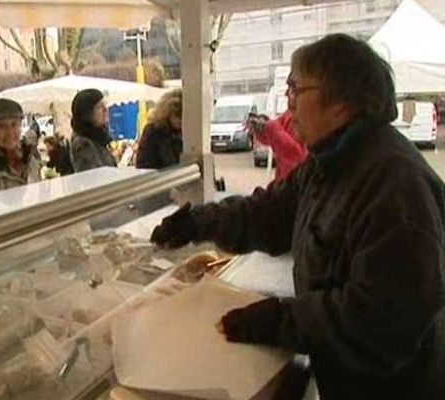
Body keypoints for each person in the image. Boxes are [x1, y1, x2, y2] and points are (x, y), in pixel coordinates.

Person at [150, 34, 445, 400]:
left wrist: (281, 320)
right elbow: (270, 213)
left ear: (341, 102)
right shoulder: (330, 163)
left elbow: (383, 319)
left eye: (295, 87)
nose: (288, 104)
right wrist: (199, 223)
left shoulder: (394, 183)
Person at [248, 75, 308, 181]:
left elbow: (296, 155)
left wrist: (270, 128)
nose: (286, 94)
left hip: (297, 185)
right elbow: (272, 137)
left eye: (293, 89)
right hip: (284, 182)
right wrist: (260, 128)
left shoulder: (310, 120)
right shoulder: (289, 114)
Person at [69, 89, 117, 172]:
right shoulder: (83, 143)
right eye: (99, 107)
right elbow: (95, 176)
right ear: (87, 114)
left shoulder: (98, 138)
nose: (105, 110)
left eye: (105, 105)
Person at [136, 88, 183, 169]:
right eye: (177, 115)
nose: (181, 120)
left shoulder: (183, 133)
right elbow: (144, 165)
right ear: (167, 113)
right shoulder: (153, 132)